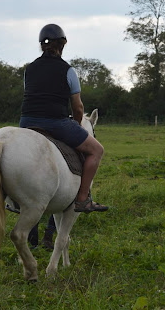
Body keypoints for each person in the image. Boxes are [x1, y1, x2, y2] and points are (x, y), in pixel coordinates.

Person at [20, 23, 108, 213]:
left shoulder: (29, 69)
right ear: (63, 45)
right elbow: (78, 108)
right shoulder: (68, 71)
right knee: (96, 150)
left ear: (42, 46)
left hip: (26, 123)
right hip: (55, 122)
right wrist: (75, 125)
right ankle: (83, 199)